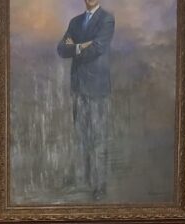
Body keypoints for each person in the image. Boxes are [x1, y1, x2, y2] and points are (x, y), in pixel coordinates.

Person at [56, 1, 115, 200]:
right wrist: (82, 46)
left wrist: (75, 48)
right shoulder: (75, 22)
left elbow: (98, 48)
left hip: (97, 89)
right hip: (78, 88)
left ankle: (99, 186)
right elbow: (61, 49)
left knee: (98, 138)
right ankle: (85, 180)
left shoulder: (106, 19)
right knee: (82, 137)